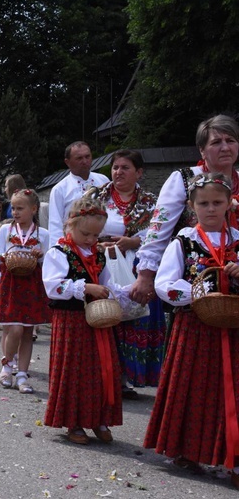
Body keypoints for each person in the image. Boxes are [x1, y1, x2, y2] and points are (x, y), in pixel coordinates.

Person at [144, 173, 239, 484]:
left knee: (232, 392)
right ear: (191, 206)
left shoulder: (238, 239)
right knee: (195, 387)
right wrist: (198, 293)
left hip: (234, 326)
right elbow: (164, 285)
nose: (210, 209)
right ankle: (186, 449)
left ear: (229, 204)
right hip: (195, 325)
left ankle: (232, 454)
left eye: (217, 202)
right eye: (203, 203)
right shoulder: (184, 241)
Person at [42, 197, 136, 445]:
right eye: (86, 234)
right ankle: (74, 421)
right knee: (74, 370)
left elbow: (108, 284)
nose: (91, 240)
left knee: (100, 369)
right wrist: (86, 288)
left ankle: (98, 418)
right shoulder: (59, 253)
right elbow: (53, 287)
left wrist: (126, 293)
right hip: (71, 320)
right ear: (69, 225)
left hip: (97, 319)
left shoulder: (99, 255)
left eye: (96, 235)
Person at [131, 114, 239, 305]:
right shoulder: (183, 178)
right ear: (202, 150)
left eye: (230, 140)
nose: (225, 147)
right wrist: (145, 274)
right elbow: (159, 229)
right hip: (193, 282)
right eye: (216, 142)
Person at [85, 150, 163, 396]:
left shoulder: (151, 202)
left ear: (139, 172)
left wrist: (133, 242)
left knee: (135, 318)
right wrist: (97, 243)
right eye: (115, 167)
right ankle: (104, 375)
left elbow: (160, 233)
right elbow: (77, 225)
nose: (118, 172)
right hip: (102, 261)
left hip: (138, 265)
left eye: (125, 167)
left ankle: (126, 376)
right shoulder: (96, 196)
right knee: (105, 316)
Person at [0, 189, 49, 394]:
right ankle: (6, 367)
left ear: (33, 209)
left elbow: (49, 260)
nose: (15, 212)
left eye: (20, 208)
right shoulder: (6, 231)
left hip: (31, 284)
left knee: (27, 331)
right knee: (12, 329)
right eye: (13, 208)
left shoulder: (43, 234)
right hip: (10, 282)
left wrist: (41, 256)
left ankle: (23, 374)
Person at [48, 142, 109, 242]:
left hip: (104, 242)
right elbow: (55, 225)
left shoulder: (104, 180)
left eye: (87, 156)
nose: (84, 161)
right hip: (74, 245)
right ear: (67, 162)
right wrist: (59, 252)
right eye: (79, 158)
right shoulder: (59, 189)